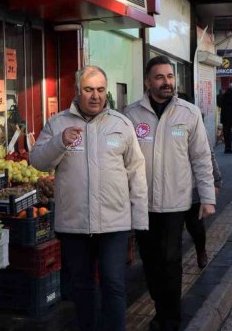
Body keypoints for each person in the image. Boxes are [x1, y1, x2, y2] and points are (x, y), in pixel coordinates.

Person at [30, 65, 148, 331]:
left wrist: (139, 219)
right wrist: (59, 141)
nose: (95, 96)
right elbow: (37, 161)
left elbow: (136, 172)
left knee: (114, 284)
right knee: (81, 288)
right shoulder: (58, 123)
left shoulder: (121, 124)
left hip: (114, 224)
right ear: (76, 91)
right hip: (74, 224)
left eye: (100, 90)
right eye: (88, 90)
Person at [124, 55, 216, 331]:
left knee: (171, 262)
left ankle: (169, 320)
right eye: (160, 77)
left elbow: (201, 157)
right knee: (151, 263)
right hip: (143, 204)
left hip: (177, 203)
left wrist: (208, 197)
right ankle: (162, 309)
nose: (167, 82)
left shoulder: (189, 113)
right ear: (148, 82)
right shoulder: (130, 115)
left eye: (170, 76)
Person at [185, 146, 222, 268]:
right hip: (169, 193)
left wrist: (216, 181)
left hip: (192, 187)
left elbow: (208, 155)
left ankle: (201, 251)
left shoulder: (197, 127)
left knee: (195, 225)